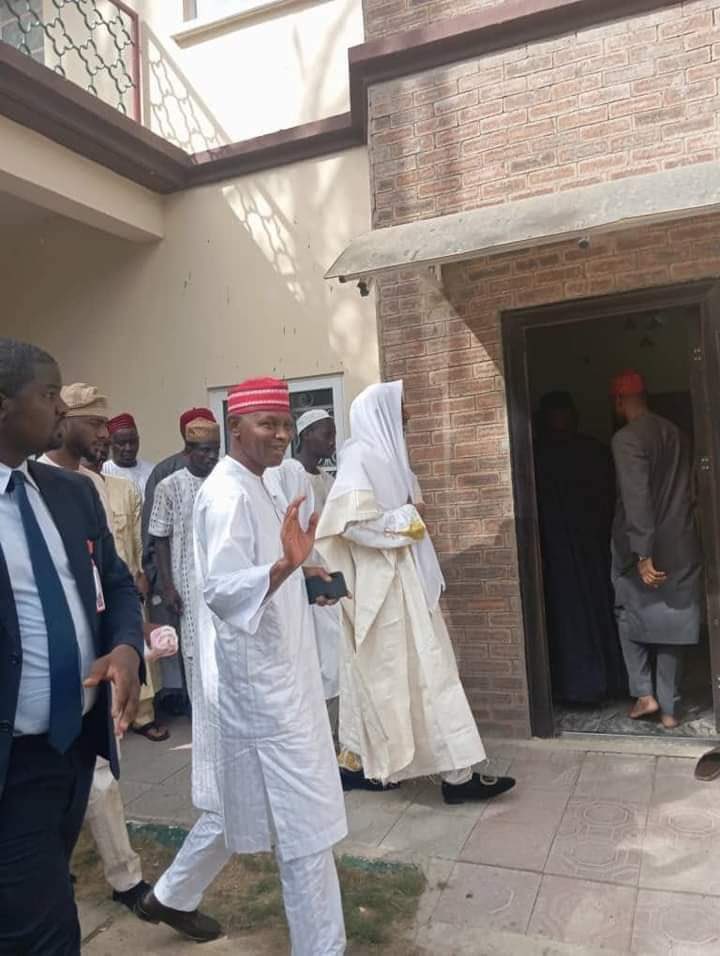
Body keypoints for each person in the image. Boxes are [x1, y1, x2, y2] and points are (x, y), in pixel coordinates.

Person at [138, 377, 347, 954]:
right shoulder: (227, 493)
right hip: (264, 696)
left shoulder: (259, 483)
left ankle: (171, 896)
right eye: (268, 424)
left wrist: (306, 578)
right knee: (305, 835)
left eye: (285, 423)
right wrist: (284, 567)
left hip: (281, 679)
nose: (281, 434)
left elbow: (268, 568)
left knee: (238, 808)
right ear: (236, 427)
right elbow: (228, 592)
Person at [0, 339, 143, 954]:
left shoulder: (72, 493)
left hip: (76, 749)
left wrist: (127, 648)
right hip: (13, 763)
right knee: (49, 934)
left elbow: (116, 584)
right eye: (48, 393)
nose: (61, 407)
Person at [315, 381, 515, 804]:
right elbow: (349, 525)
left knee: (401, 679)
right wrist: (407, 518)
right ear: (380, 414)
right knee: (415, 677)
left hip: (405, 584)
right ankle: (454, 777)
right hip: (384, 592)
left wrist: (408, 516)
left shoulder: (390, 459)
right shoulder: (359, 458)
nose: (408, 416)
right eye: (401, 409)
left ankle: (370, 767)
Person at [40, 385, 156, 911]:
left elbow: (114, 571)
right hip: (47, 657)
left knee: (97, 772)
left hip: (102, 644)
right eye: (93, 425)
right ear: (62, 424)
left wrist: (126, 641)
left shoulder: (97, 489)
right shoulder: (30, 486)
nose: (104, 436)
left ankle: (124, 877)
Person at [610, 370, 702, 730]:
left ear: (618, 401)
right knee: (674, 621)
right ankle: (669, 710)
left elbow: (637, 499)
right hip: (681, 543)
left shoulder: (626, 439)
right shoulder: (679, 434)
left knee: (625, 612)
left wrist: (643, 553)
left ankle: (643, 693)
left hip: (640, 546)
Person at [533, 391, 625, 704]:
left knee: (572, 616)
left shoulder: (535, 456)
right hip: (588, 548)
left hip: (561, 552)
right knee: (597, 611)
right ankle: (609, 681)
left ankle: (581, 686)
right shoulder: (592, 451)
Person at [85, 438, 168, 744]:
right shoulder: (67, 486)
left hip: (127, 581)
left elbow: (136, 533)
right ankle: (107, 714)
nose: (101, 445)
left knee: (133, 644)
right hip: (92, 583)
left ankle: (141, 714)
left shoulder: (123, 487)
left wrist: (142, 572)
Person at [142, 407, 217, 711]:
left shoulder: (223, 480)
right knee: (194, 652)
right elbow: (159, 538)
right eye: (204, 452)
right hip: (187, 585)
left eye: (215, 451)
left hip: (220, 579)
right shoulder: (169, 485)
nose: (211, 458)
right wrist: (168, 587)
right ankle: (200, 711)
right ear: (188, 451)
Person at [102, 413, 154, 498]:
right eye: (122, 443)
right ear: (111, 443)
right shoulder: (103, 472)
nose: (128, 448)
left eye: (133, 442)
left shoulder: (152, 472)